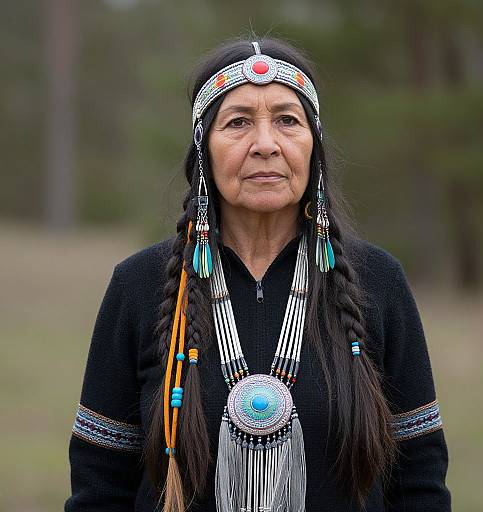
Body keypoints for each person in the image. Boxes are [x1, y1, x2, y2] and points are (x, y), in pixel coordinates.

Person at [64, 37, 451, 512]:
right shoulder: (139, 285)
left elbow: (421, 485)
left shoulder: (379, 282)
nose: (265, 145)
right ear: (203, 149)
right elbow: (98, 486)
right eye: (238, 122)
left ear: (315, 145)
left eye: (287, 120)